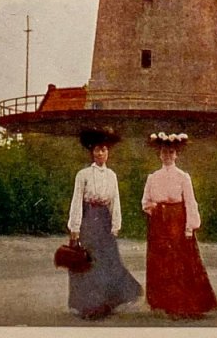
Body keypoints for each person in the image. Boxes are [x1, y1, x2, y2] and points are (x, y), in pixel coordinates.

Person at [142, 132, 217, 319]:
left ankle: (185, 303)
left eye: (171, 152)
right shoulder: (153, 177)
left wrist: (190, 227)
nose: (167, 156)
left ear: (176, 155)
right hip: (160, 223)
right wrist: (156, 208)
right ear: (159, 155)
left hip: (178, 221)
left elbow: (190, 202)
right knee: (163, 262)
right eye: (164, 153)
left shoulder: (183, 177)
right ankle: (167, 303)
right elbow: (145, 202)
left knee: (181, 262)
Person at [67, 130, 142, 320]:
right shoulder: (83, 174)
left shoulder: (112, 176)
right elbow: (76, 201)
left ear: (108, 152)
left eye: (104, 150)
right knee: (89, 262)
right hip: (88, 219)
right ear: (92, 152)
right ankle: (90, 305)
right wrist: (74, 228)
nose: (100, 154)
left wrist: (116, 224)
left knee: (109, 261)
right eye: (97, 150)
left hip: (104, 219)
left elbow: (115, 201)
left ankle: (107, 302)